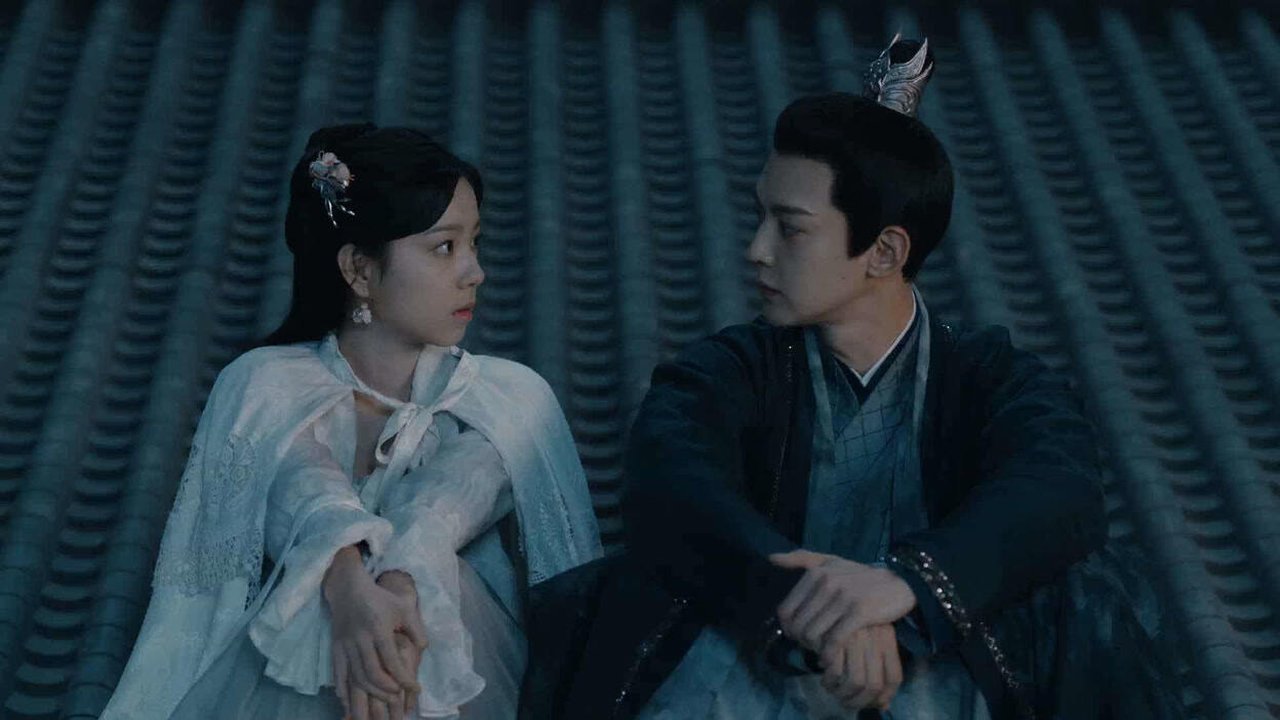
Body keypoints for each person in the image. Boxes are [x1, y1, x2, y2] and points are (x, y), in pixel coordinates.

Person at [533, 37, 1186, 719]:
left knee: (1088, 590)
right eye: (760, 217)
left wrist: (906, 587)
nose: (756, 250)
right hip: (759, 655)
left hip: (946, 669)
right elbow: (670, 478)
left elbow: (1057, 489)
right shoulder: (729, 372)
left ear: (884, 251)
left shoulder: (995, 380)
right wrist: (817, 596)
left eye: (790, 229)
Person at [99, 125, 602, 720]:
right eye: (444, 247)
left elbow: (443, 507)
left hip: (458, 653)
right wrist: (345, 585)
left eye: (475, 243)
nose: (474, 272)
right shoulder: (263, 383)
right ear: (359, 270)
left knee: (420, 603)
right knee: (315, 601)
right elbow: (307, 494)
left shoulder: (511, 398)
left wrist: (395, 587)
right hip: (296, 664)